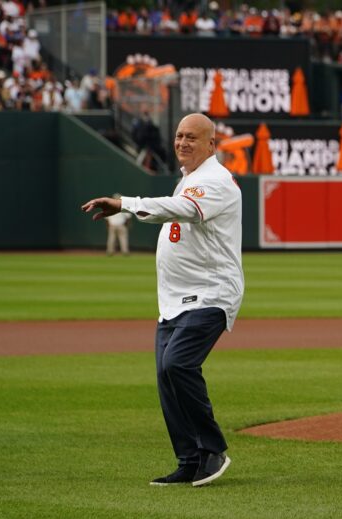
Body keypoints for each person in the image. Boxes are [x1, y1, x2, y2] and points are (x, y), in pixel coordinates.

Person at [81, 113, 244, 488]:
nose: (183, 142)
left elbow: (185, 210)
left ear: (211, 145)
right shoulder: (189, 179)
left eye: (192, 137)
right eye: (179, 135)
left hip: (211, 293)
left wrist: (124, 203)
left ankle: (213, 449)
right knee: (165, 377)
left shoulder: (215, 181)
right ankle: (189, 460)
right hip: (175, 299)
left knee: (178, 364)